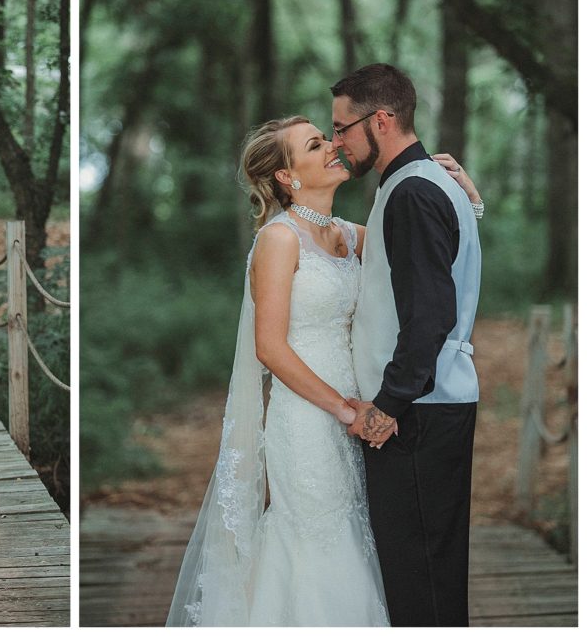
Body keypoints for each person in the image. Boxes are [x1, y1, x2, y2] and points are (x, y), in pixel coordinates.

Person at [166, 114, 482, 626]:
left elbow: (423, 250)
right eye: (315, 145)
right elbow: (270, 348)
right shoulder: (279, 239)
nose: (333, 147)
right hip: (310, 417)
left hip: (358, 409)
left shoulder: (349, 235)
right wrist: (344, 410)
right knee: (317, 539)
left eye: (329, 138)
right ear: (287, 176)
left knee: (357, 537)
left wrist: (467, 200)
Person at [331, 63, 482, 627]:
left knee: (419, 581)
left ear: (382, 120)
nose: (337, 142)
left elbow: (430, 315)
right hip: (430, 404)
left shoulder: (414, 191)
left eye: (342, 128)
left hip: (417, 411)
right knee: (426, 573)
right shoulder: (423, 183)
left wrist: (388, 405)